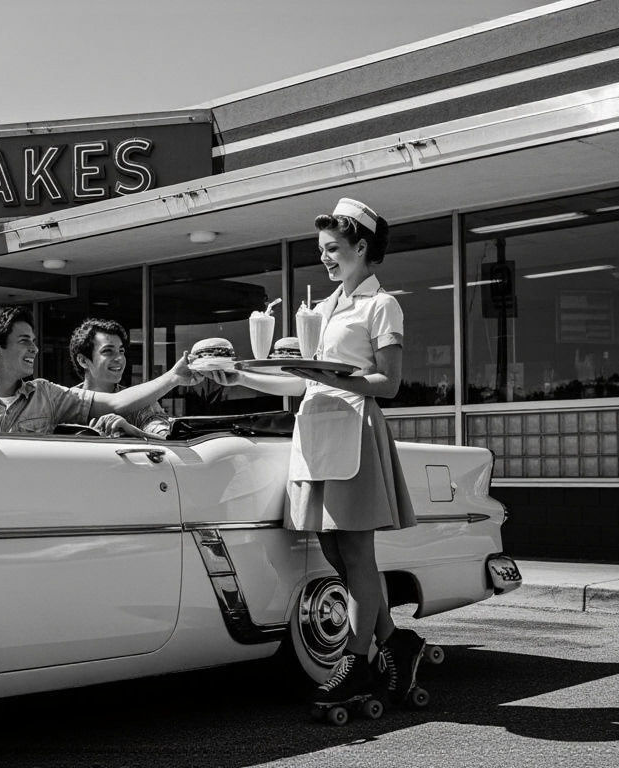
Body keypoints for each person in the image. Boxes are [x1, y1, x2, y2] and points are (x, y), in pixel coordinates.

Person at [200, 198, 424, 707]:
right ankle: (395, 642)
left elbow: (388, 384)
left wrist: (327, 376)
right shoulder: (322, 309)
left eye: (332, 248)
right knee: (333, 551)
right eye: (321, 249)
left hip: (354, 430)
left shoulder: (381, 305)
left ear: (360, 247)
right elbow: (299, 382)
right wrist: (240, 376)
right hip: (316, 431)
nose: (324, 258)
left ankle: (355, 662)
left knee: (357, 552)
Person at [0, 306, 198, 433]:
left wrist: (174, 377)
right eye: (24, 341)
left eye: (34, 341)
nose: (35, 349)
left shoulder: (47, 395)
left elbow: (117, 402)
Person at [66, 318, 173, 439]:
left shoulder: (141, 402)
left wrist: (134, 432)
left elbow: (169, 440)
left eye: (121, 351)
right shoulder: (63, 404)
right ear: (83, 361)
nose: (119, 358)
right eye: (108, 351)